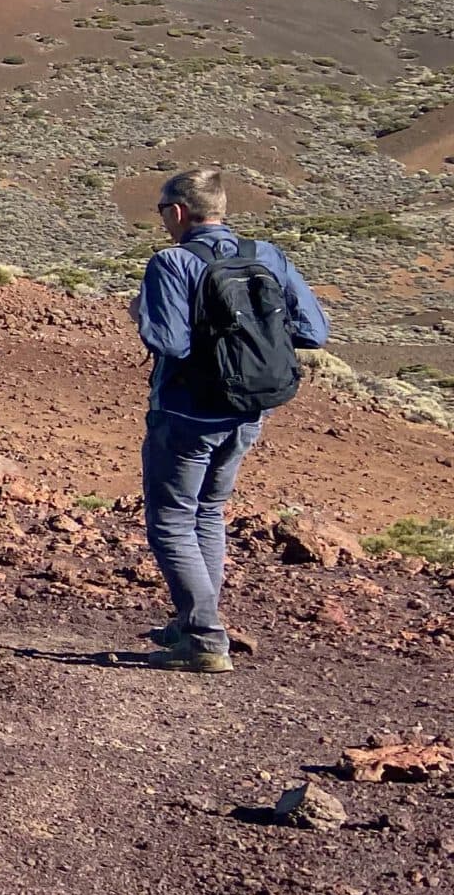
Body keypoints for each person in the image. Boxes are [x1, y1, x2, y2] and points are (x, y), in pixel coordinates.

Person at [130, 166, 329, 673]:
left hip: (185, 412)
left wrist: (141, 314)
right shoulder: (265, 256)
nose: (162, 222)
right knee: (208, 513)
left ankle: (203, 637)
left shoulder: (172, 262)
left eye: (162, 212)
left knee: (172, 518)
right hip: (248, 412)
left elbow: (171, 343)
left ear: (178, 212)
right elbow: (314, 332)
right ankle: (192, 620)